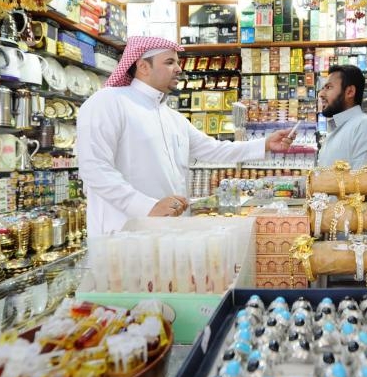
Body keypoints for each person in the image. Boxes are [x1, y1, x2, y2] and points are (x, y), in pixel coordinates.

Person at [77, 36, 294, 236]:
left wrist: (264, 144)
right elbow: (94, 169)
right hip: (122, 235)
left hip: (170, 231)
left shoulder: (172, 117)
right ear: (143, 66)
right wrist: (147, 206)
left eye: (177, 63)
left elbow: (213, 149)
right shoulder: (107, 102)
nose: (179, 69)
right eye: (170, 62)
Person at [316, 64, 367, 169]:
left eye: (328, 87)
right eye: (322, 88)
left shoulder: (365, 126)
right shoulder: (336, 129)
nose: (321, 94)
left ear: (350, 92)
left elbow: (366, 182)